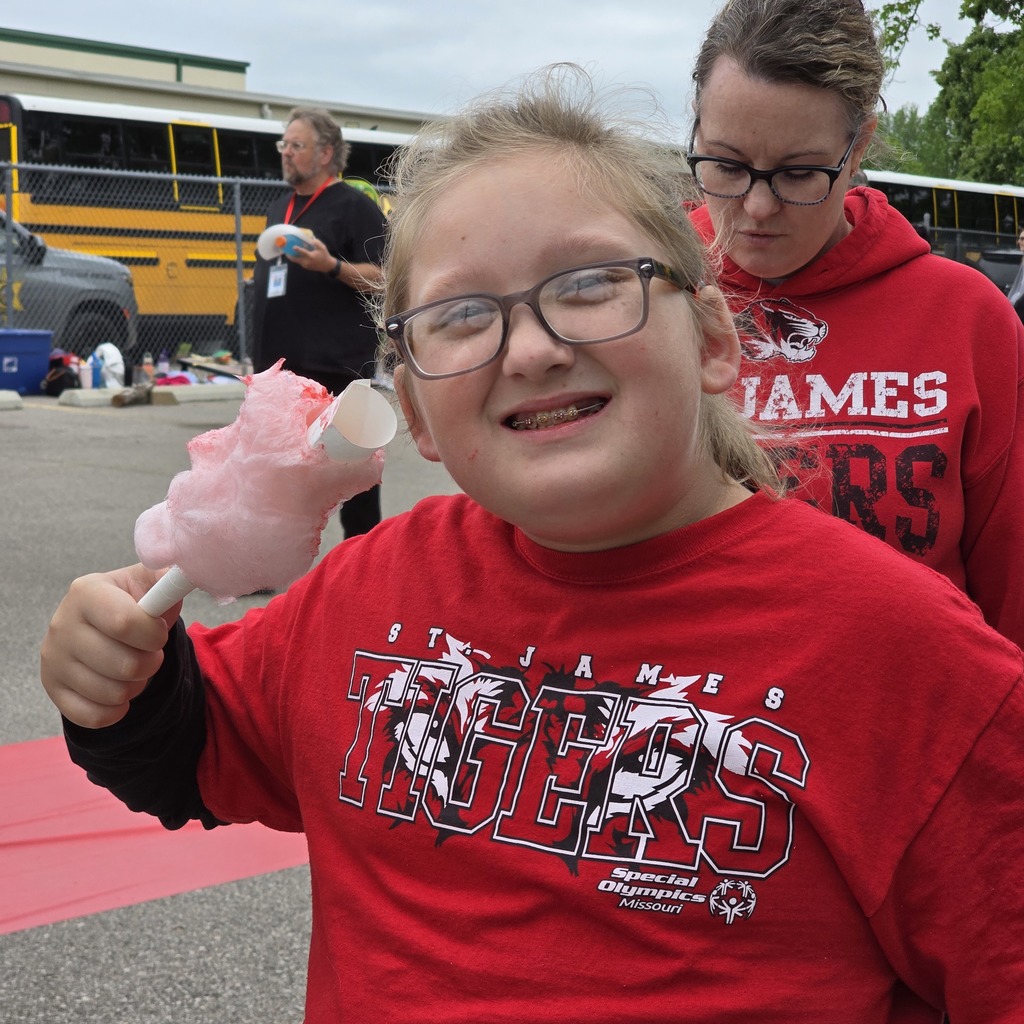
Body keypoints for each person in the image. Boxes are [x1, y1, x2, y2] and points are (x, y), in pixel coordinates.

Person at [39, 66, 1024, 1022]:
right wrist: (119, 676)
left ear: (716, 337)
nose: (531, 346)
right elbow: (199, 747)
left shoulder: (906, 658)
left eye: (590, 282)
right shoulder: (370, 591)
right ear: (418, 416)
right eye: (463, 314)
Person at [687, 0, 1024, 649]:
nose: (756, 208)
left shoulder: (966, 317)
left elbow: (1012, 587)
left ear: (858, 145)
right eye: (726, 165)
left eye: (799, 172)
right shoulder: (650, 296)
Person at [252, 106, 387, 537]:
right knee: (276, 475)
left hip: (337, 367)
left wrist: (333, 267)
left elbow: (387, 279)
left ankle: (363, 567)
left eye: (297, 145)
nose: (286, 153)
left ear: (326, 152)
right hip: (280, 370)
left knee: (354, 477)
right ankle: (269, 567)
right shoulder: (281, 207)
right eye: (283, 144)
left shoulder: (353, 207)